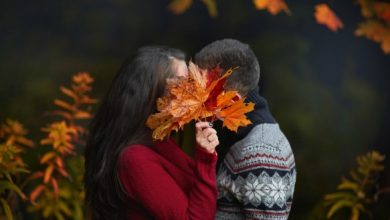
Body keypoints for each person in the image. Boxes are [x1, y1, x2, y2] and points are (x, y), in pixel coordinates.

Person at [84, 46, 219, 220]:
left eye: (190, 81)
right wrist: (205, 159)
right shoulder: (135, 159)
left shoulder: (160, 141)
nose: (191, 91)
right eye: (181, 83)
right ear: (153, 93)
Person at [195, 39, 297, 220]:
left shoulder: (261, 154)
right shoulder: (238, 135)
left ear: (232, 100)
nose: (194, 96)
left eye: (202, 89)